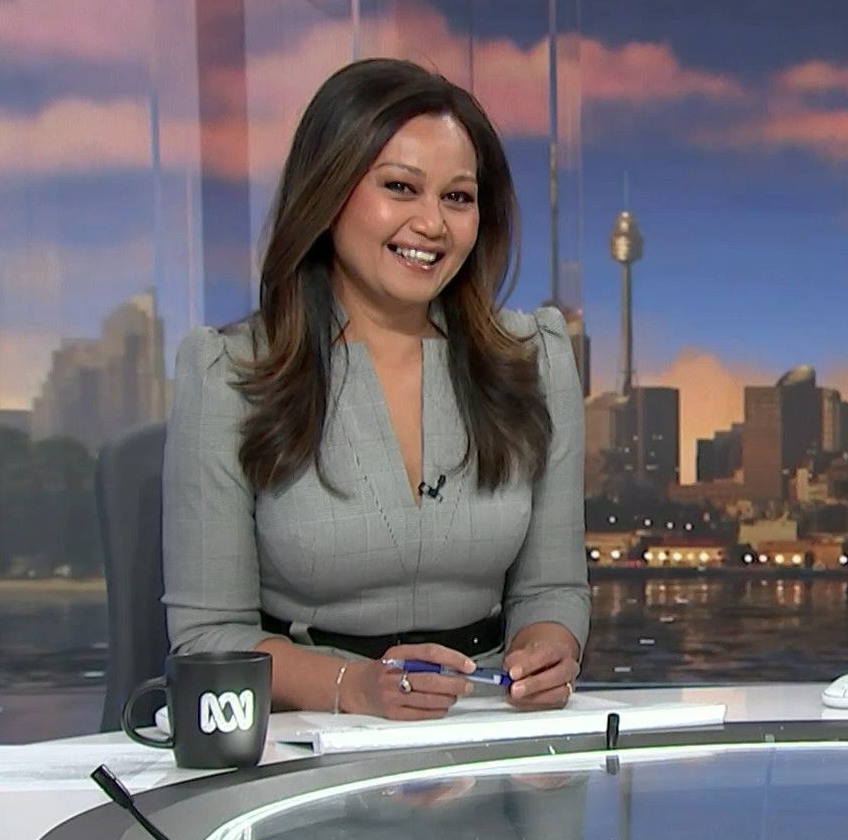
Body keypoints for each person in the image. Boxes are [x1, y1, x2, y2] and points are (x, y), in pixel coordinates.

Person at [163, 58, 588, 719]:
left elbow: (552, 588)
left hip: (483, 720)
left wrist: (549, 646)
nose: (433, 224)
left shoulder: (535, 360)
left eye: (458, 198)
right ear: (328, 191)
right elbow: (208, 638)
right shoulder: (230, 372)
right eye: (400, 187)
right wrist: (353, 687)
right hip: (309, 728)